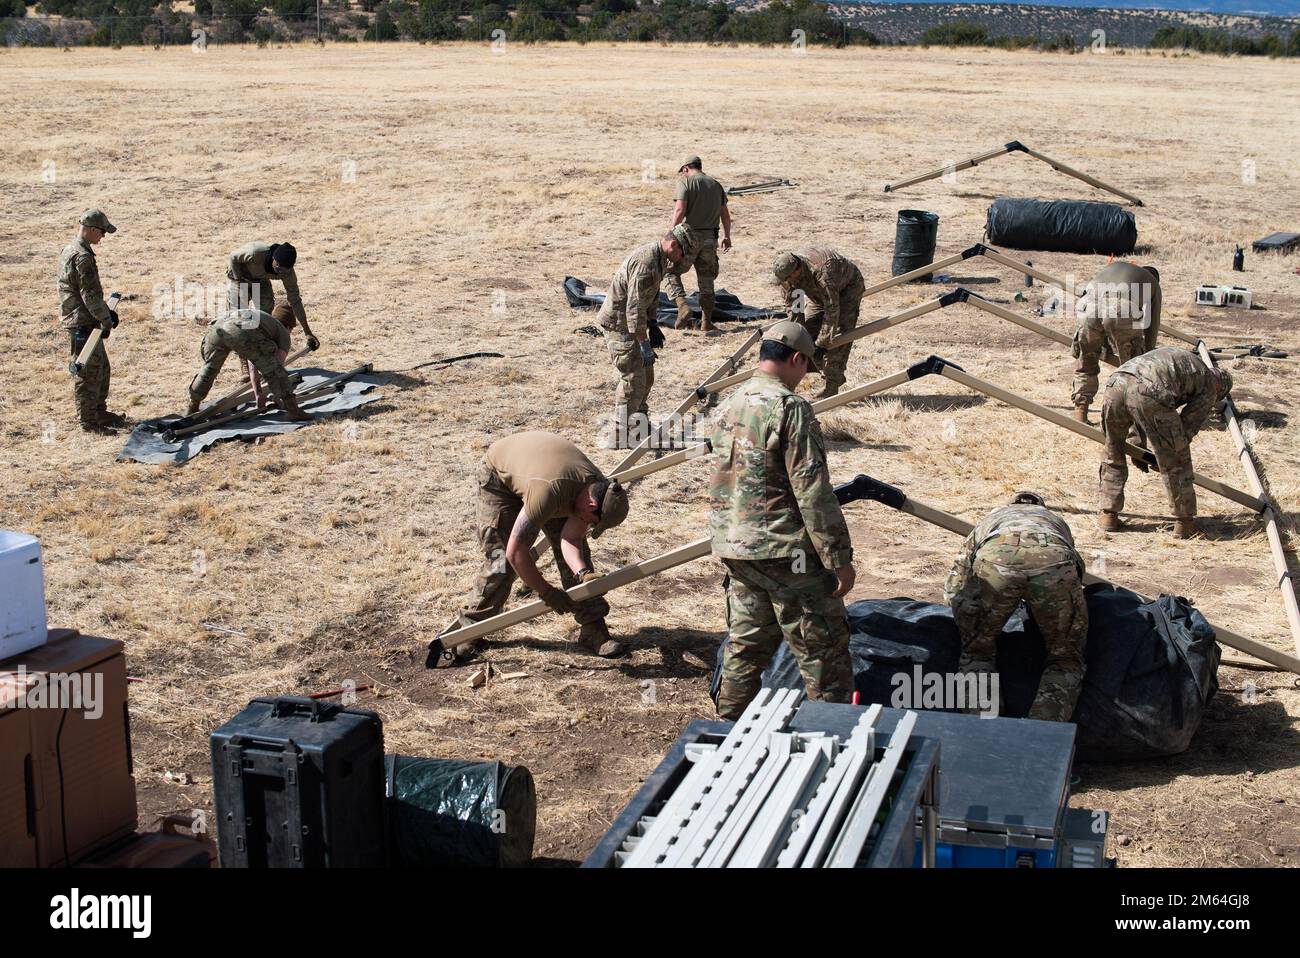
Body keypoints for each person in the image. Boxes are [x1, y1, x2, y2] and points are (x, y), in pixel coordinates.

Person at [707, 320, 856, 720]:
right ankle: (835, 734)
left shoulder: (728, 405)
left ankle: (726, 729)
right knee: (822, 650)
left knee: (746, 645)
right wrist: (837, 556)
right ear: (795, 359)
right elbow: (812, 490)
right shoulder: (789, 408)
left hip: (736, 548)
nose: (805, 377)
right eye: (806, 367)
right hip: (785, 552)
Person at [456, 430, 631, 660]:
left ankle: (593, 630)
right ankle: (471, 628)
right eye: (592, 521)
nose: (588, 524)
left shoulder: (597, 489)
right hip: (499, 477)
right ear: (590, 506)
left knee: (581, 556)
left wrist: (583, 572)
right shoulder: (549, 492)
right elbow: (515, 552)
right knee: (500, 558)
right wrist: (546, 591)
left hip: (545, 474)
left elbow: (571, 539)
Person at [944, 492, 1088, 722]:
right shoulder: (1054, 520)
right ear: (1042, 507)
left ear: (1009, 505)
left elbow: (957, 581)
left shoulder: (993, 518)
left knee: (977, 655)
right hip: (1055, 560)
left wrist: (971, 625)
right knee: (1065, 661)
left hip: (995, 558)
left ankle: (981, 729)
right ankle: (1040, 733)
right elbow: (1076, 571)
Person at [1098, 346, 1232, 538]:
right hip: (1149, 389)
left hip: (1116, 383)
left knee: (1113, 450)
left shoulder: (1184, 360)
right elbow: (1186, 428)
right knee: (1178, 459)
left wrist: (1137, 443)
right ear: (1221, 387)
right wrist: (1164, 456)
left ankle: (1107, 514)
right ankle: (1185, 523)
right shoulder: (1210, 384)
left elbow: (1136, 396)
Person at [597, 234, 685, 449]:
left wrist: (653, 323)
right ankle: (618, 434)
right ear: (673, 244)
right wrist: (644, 344)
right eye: (682, 253)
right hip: (620, 325)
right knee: (633, 376)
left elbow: (651, 296)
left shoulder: (660, 258)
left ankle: (639, 426)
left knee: (647, 374)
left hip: (632, 324)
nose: (682, 258)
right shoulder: (646, 264)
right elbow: (634, 309)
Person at [58, 209, 125, 433]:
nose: (103, 237)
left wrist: (104, 313)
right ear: (92, 230)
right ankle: (89, 421)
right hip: (83, 323)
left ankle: (98, 411)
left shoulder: (70, 249)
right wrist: (105, 320)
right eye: (102, 232)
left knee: (101, 368)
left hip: (84, 318)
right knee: (87, 372)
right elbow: (90, 295)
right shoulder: (83, 257)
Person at [1070, 261, 1162, 423]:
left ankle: (1080, 411)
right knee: (1133, 370)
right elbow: (1152, 325)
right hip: (1121, 307)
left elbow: (1094, 301)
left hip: (1087, 305)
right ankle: (1129, 418)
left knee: (1086, 360)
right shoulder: (1153, 282)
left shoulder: (1116, 266)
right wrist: (1147, 356)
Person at [771, 248, 865, 399]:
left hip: (847, 290)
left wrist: (822, 343)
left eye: (787, 279)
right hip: (819, 295)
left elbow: (832, 309)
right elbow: (796, 310)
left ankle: (832, 384)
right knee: (806, 335)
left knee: (838, 337)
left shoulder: (823, 272)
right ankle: (830, 372)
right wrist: (797, 337)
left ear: (796, 271)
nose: (785, 283)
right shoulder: (788, 279)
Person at [186, 308, 309, 420]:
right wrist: (277, 397)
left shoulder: (264, 322)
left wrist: (258, 394)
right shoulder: (282, 332)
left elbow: (252, 364)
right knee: (275, 370)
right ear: (288, 326)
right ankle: (293, 411)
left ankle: (193, 405)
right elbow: (276, 369)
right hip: (239, 328)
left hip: (218, 325)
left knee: (209, 369)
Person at [663, 156, 732, 333]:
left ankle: (682, 306)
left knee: (670, 271)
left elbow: (680, 209)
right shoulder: (716, 185)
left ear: (686, 169)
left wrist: (671, 233)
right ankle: (706, 322)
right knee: (707, 280)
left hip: (689, 238)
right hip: (711, 238)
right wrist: (727, 236)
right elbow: (725, 214)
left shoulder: (685, 183)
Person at [226, 241, 320, 351]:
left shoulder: (287, 273)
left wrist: (307, 332)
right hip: (240, 278)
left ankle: (259, 350)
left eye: (284, 269)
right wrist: (238, 281)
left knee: (263, 318)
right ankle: (243, 358)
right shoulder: (255, 253)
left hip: (260, 282)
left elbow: (295, 300)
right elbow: (233, 257)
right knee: (237, 318)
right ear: (273, 258)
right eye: (278, 266)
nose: (280, 270)